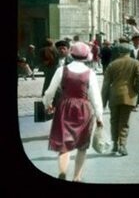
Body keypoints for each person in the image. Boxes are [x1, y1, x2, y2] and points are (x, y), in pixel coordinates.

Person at [42, 41, 103, 181]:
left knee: (64, 144)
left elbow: (49, 92)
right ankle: (77, 177)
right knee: (82, 146)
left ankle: (63, 172)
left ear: (71, 53)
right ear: (86, 56)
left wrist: (47, 104)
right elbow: (96, 98)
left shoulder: (61, 70)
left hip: (65, 107)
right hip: (83, 109)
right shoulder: (90, 73)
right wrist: (99, 117)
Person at [101, 42, 139, 156]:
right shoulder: (135, 63)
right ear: (129, 51)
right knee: (124, 122)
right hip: (129, 96)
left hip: (114, 95)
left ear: (119, 52)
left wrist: (103, 101)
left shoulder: (112, 65)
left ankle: (115, 144)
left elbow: (105, 85)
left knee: (114, 120)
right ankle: (123, 145)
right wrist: (135, 89)